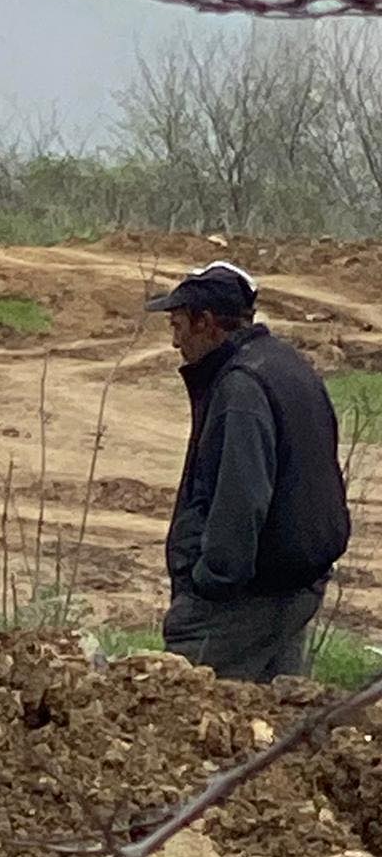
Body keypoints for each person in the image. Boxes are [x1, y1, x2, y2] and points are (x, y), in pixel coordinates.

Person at [147, 262, 350, 683]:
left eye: (178, 325)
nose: (174, 342)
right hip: (294, 587)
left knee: (182, 700)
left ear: (206, 323)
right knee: (275, 710)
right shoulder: (287, 365)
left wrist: (211, 582)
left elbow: (242, 499)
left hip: (242, 600)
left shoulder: (241, 387)